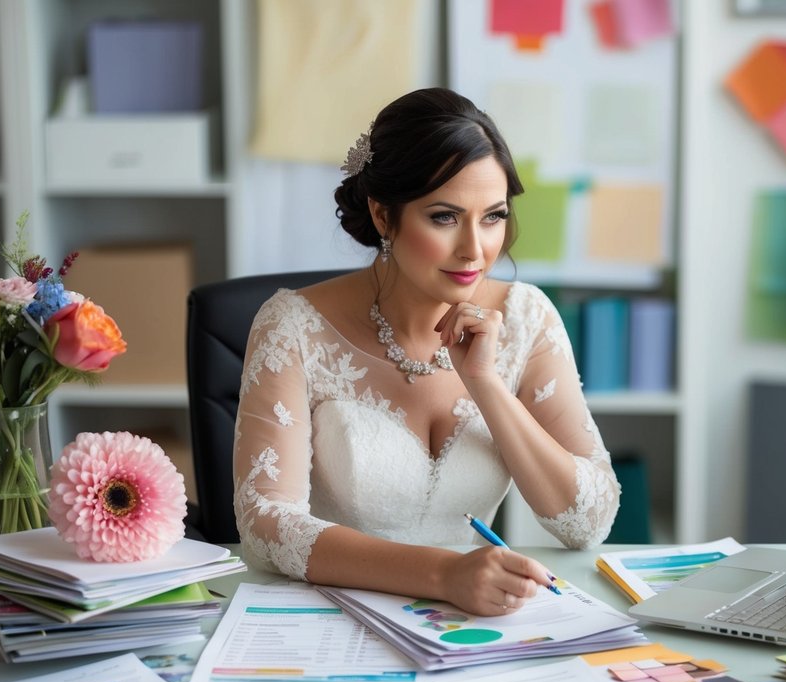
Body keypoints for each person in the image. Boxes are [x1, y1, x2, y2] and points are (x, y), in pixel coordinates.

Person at [233, 88, 621, 617]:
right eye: (444, 217)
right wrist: (443, 573)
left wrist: (486, 384)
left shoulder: (528, 318)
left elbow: (588, 523)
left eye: (493, 216)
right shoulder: (292, 326)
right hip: (329, 618)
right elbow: (264, 524)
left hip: (472, 623)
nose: (476, 249)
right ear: (383, 215)